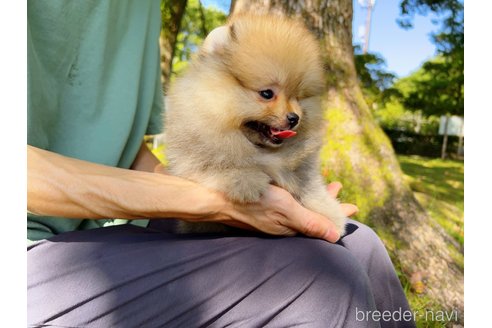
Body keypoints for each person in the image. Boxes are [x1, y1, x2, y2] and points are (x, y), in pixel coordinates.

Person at [27, 1, 415, 327]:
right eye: (267, 94)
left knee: (360, 244)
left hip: (108, 226)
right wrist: (212, 200)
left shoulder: (140, 8)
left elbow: (118, 145)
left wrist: (269, 195)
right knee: (324, 278)